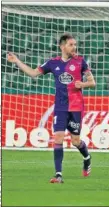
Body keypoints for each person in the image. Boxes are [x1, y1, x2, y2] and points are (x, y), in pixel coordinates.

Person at [7, 33, 96, 184]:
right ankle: (58, 175)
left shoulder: (81, 62)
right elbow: (33, 74)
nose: (74, 47)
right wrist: (17, 61)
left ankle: (87, 158)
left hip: (76, 107)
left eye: (75, 44)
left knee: (75, 141)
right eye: (71, 44)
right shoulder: (52, 63)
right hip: (61, 107)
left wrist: (83, 84)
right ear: (62, 46)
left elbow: (92, 82)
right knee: (58, 138)